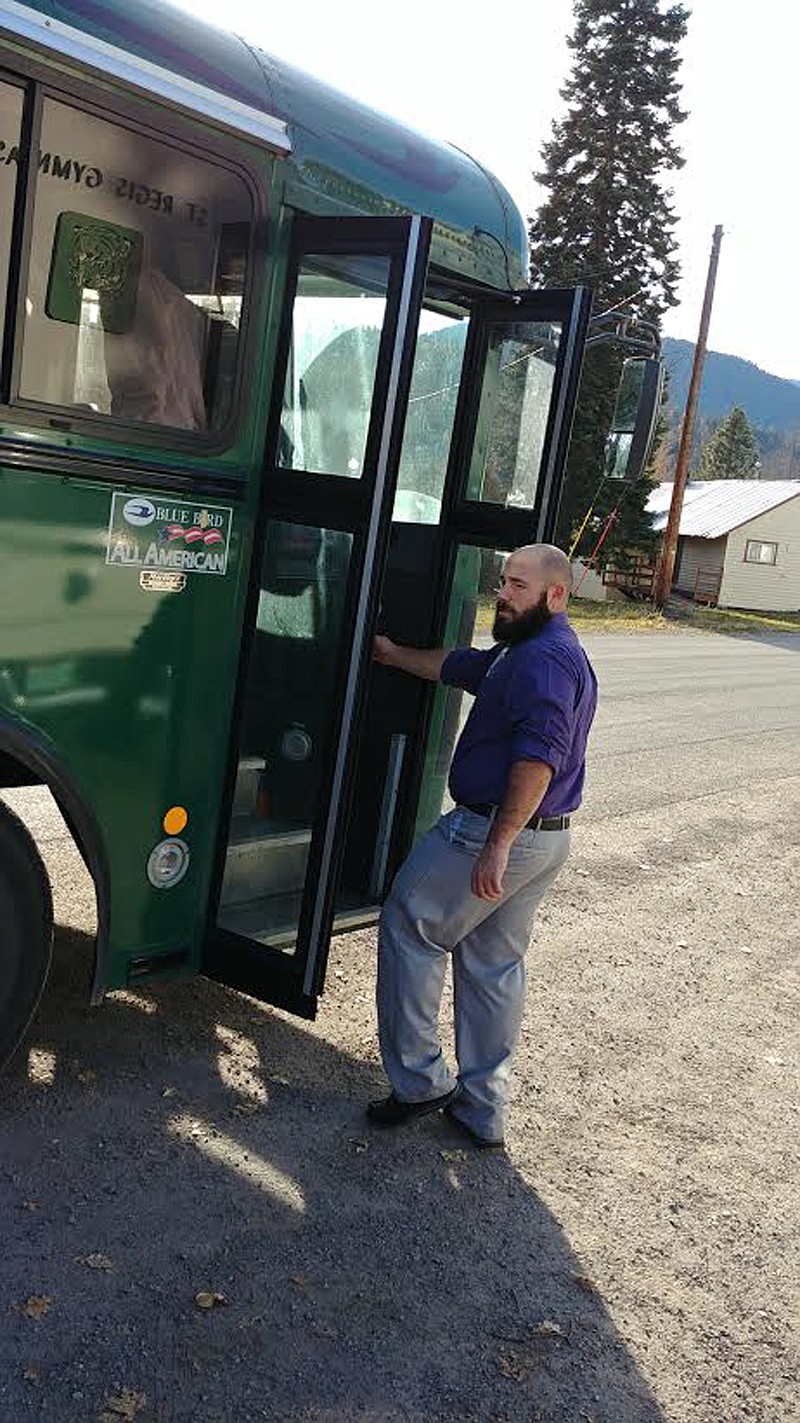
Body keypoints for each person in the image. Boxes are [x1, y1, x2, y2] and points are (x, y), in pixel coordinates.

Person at [367, 543, 597, 1149]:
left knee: (410, 922)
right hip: (543, 841)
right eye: (503, 581)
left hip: (497, 833)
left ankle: (420, 1082)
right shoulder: (521, 652)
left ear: (556, 595)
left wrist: (498, 844)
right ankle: (481, 1109)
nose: (503, 593)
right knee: (493, 965)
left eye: (519, 586)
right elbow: (460, 666)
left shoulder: (546, 660)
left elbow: (539, 758)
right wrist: (392, 655)